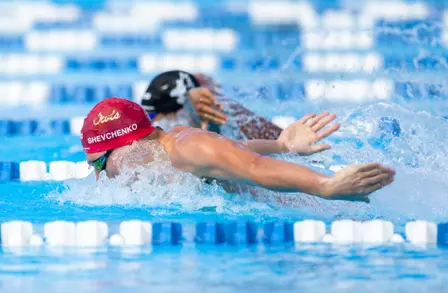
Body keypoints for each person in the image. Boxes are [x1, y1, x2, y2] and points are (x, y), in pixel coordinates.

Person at [81, 98, 395, 203]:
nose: (101, 176)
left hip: (328, 209)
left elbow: (253, 169)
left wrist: (325, 185)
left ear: (130, 144)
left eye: (101, 163)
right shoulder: (172, 147)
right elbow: (235, 152)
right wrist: (281, 144)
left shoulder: (187, 148)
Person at [140, 70, 282, 140]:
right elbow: (282, 139)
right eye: (210, 92)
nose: (216, 94)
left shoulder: (138, 128)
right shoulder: (220, 110)